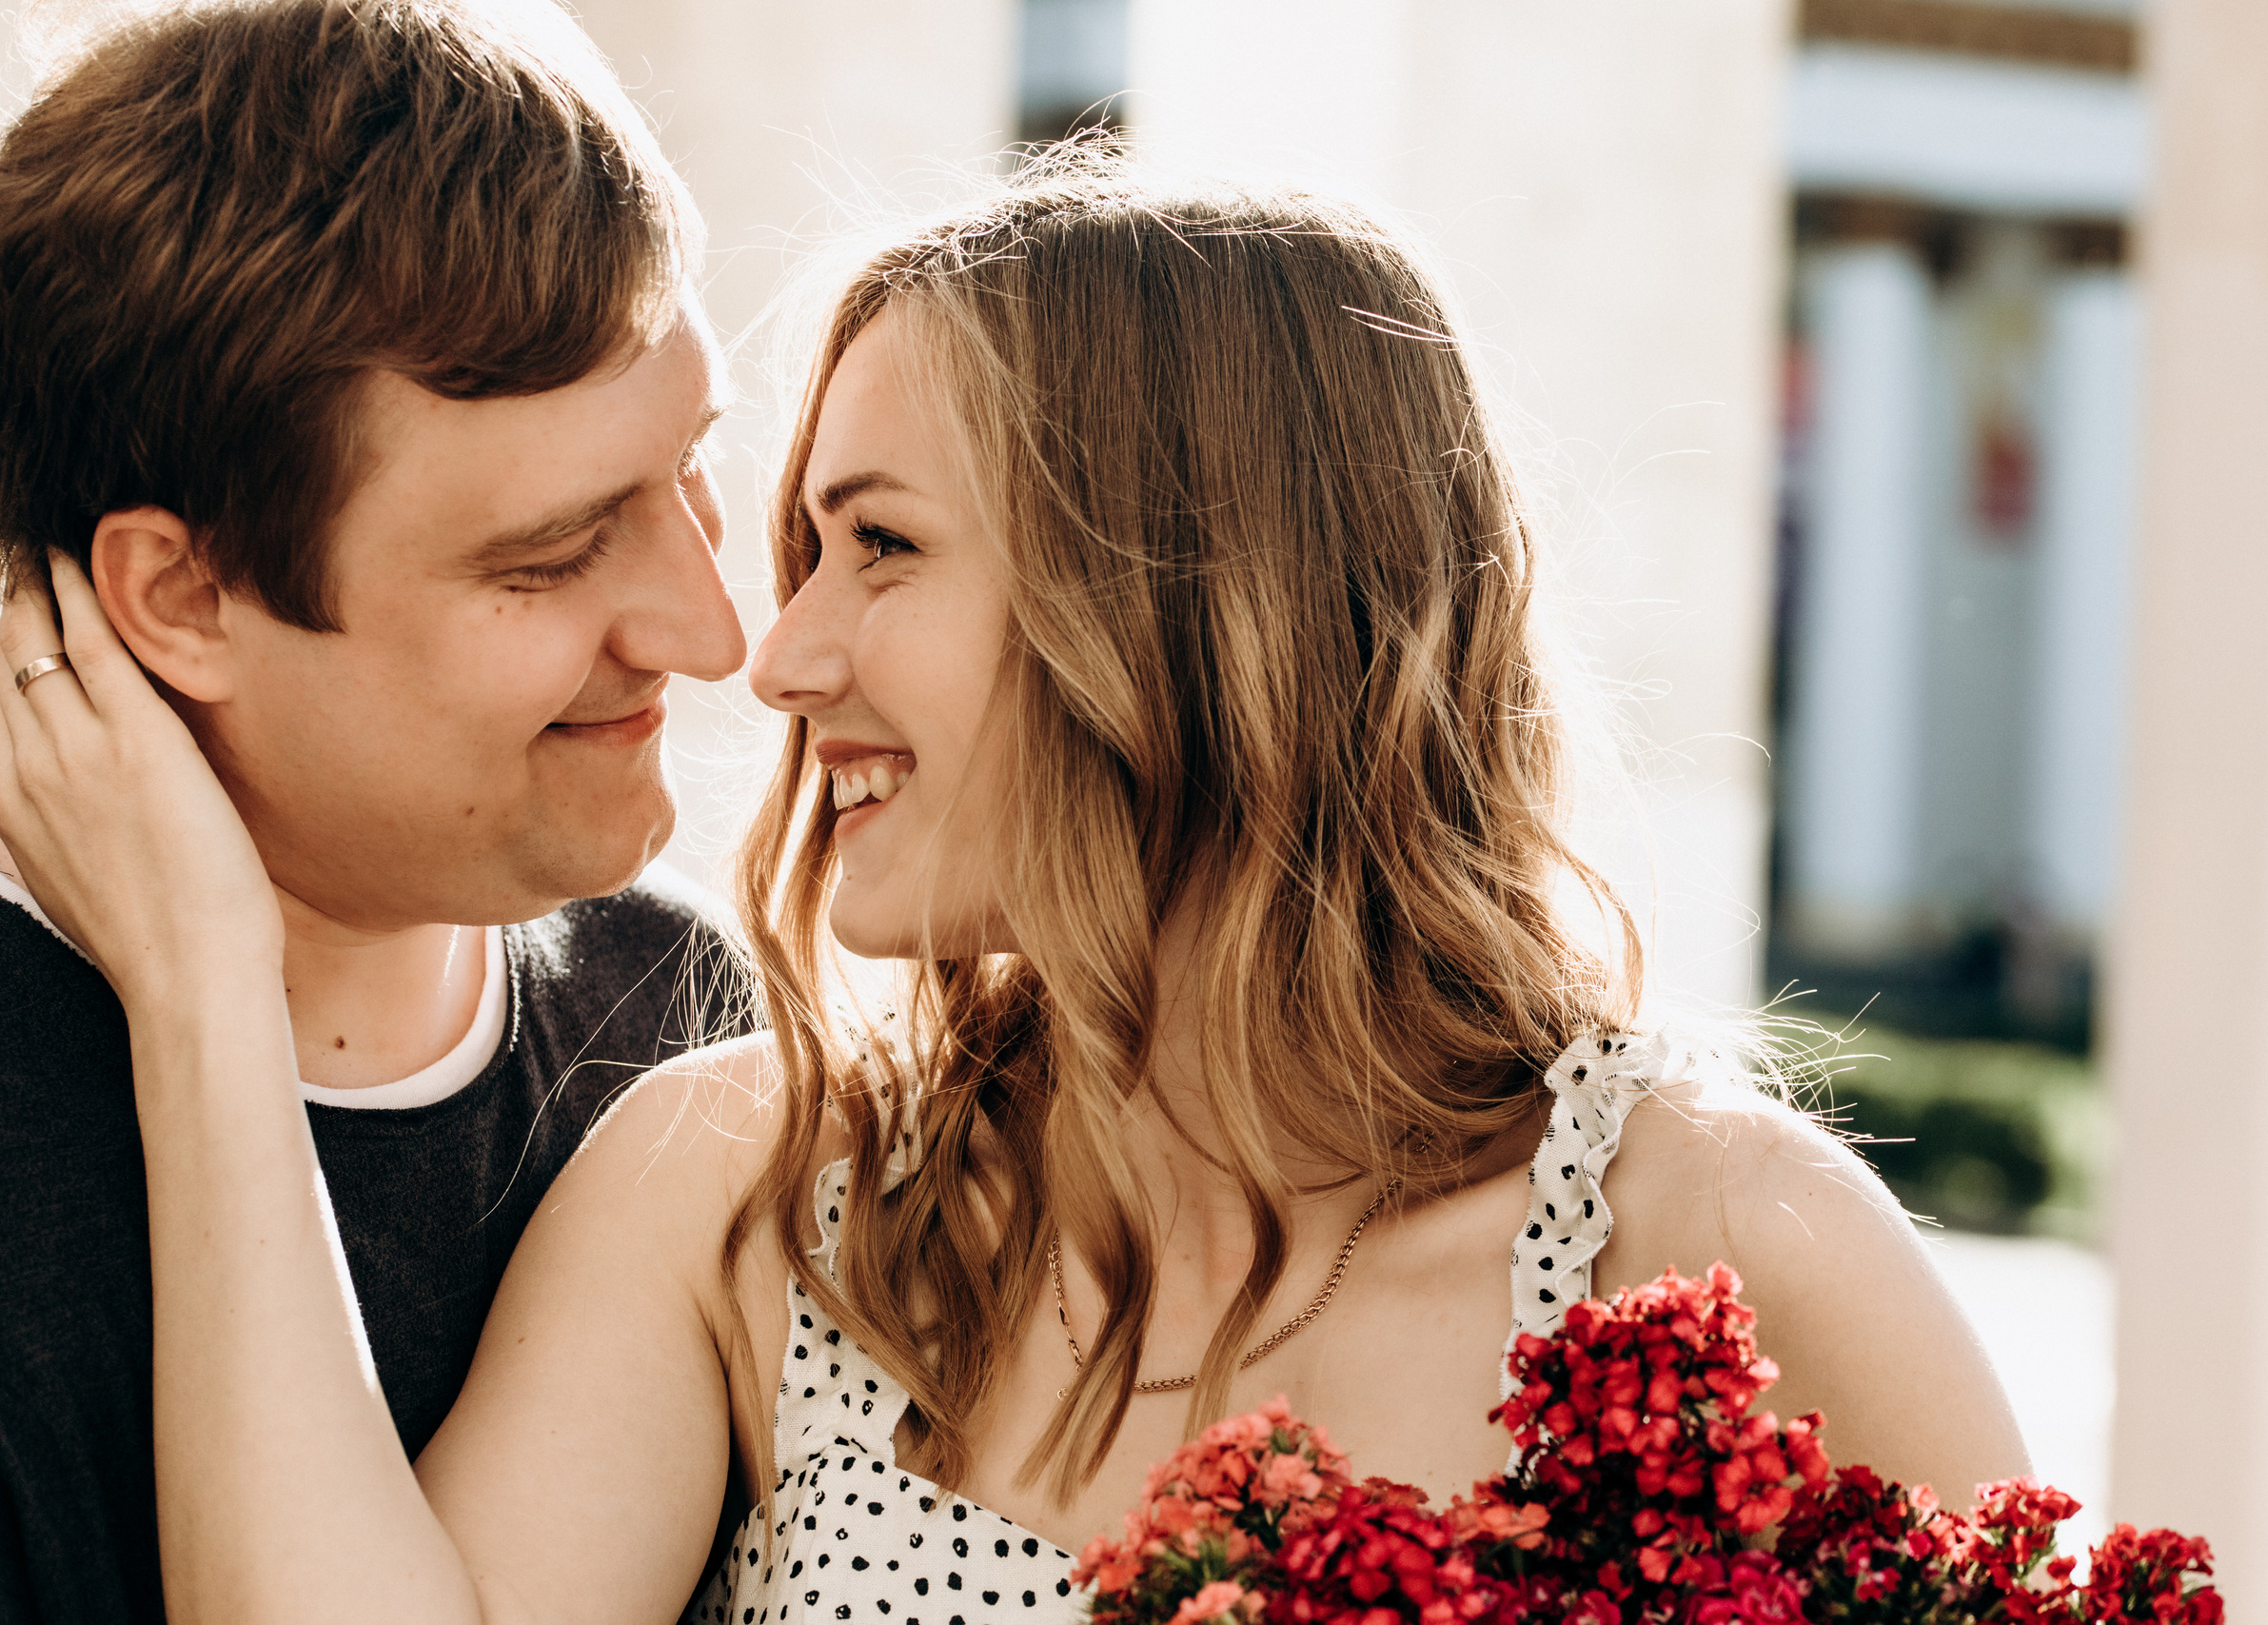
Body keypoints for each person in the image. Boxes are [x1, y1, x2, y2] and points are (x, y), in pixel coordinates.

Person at [0, 167, 2029, 1625]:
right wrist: (203, 983)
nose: (777, 656)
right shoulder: (747, 1194)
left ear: (1187, 603)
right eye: (805, 549)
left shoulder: (1723, 1250)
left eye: (878, 547)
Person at [0, 3, 760, 1618]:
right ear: (183, 594)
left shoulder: (691, 1024)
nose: (712, 632)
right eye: (551, 555)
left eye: (694, 469)